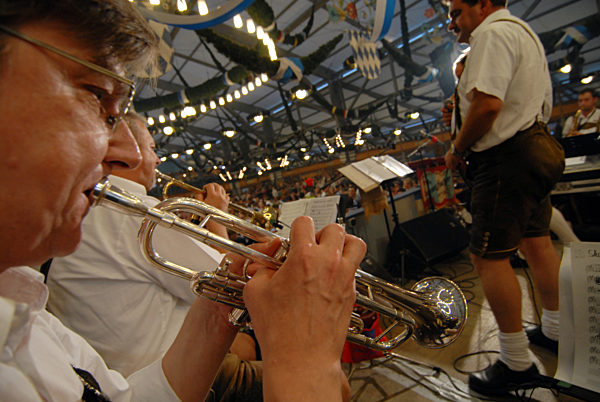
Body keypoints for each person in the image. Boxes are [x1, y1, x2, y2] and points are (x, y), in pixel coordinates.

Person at [0, 1, 366, 401]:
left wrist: (217, 312)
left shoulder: (26, 314)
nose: (132, 156)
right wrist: (307, 366)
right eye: (96, 96)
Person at [46, 112, 263, 400]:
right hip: (168, 376)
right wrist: (218, 220)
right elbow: (230, 287)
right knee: (327, 377)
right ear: (126, 156)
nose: (158, 160)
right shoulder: (137, 214)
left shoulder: (80, 214)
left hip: (114, 373)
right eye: (151, 148)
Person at [443, 0, 565, 396]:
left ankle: (515, 363)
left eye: (456, 11)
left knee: (487, 257)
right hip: (535, 144)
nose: (452, 22)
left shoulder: (491, 34)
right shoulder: (522, 32)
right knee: (537, 242)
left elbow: (488, 104)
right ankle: (555, 329)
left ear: (482, 6)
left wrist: (458, 148)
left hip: (506, 156)